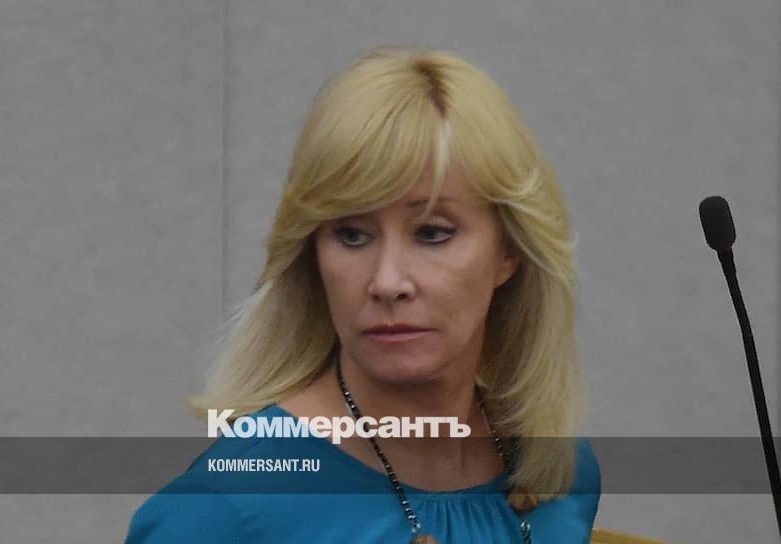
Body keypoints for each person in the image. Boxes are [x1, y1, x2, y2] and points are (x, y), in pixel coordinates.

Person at [125, 44, 601, 544]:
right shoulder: (229, 505)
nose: (387, 281)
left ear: (509, 252)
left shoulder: (557, 473)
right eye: (352, 235)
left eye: (432, 233)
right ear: (312, 255)